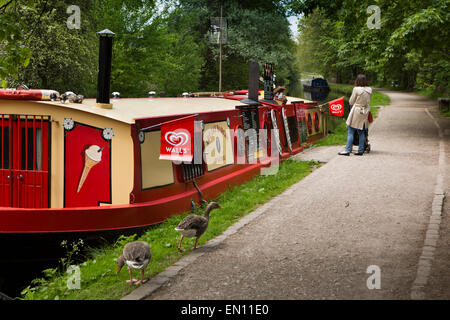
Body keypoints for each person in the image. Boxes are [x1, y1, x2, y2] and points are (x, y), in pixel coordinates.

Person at [338, 74, 372, 156]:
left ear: (357, 81)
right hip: (365, 111)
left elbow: (351, 102)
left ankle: (347, 150)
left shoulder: (356, 89)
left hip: (356, 111)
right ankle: (360, 150)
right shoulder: (369, 90)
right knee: (361, 131)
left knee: (350, 130)